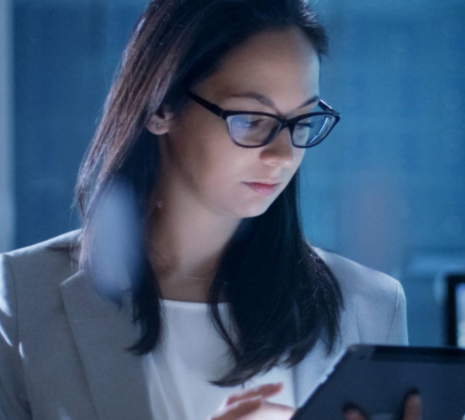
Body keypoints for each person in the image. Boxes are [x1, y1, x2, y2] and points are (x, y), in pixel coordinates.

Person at [0, 0, 416, 419]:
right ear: (160, 106)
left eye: (303, 122)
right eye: (252, 119)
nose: (283, 155)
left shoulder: (369, 307)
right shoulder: (23, 297)